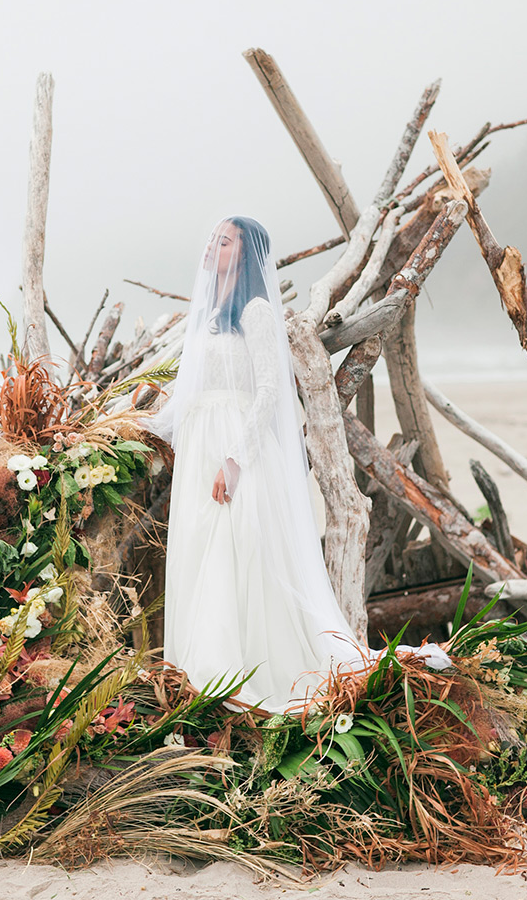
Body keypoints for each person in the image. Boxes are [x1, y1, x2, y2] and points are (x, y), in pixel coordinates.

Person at [144, 216, 448, 713]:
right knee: (201, 555)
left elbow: (268, 390)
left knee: (236, 554)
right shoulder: (208, 316)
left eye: (223, 242)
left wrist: (236, 458)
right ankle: (199, 677)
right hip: (200, 449)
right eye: (212, 238)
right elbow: (185, 398)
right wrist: (135, 428)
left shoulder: (259, 311)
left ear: (244, 257)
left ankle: (231, 679)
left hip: (234, 447)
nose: (210, 248)